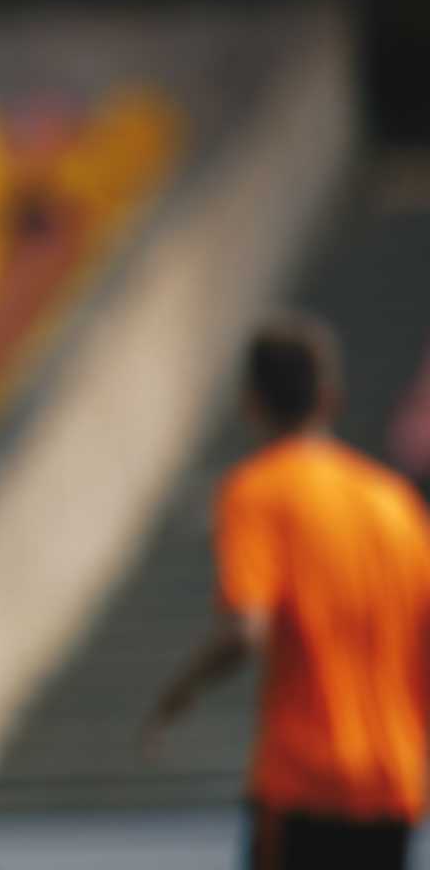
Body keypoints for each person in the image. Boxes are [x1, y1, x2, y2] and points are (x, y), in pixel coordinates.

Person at [144, 316, 430, 870]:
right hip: (393, 783)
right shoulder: (394, 504)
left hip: (305, 781)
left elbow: (245, 629)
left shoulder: (258, 490)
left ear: (251, 403)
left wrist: (176, 695)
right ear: (331, 398)